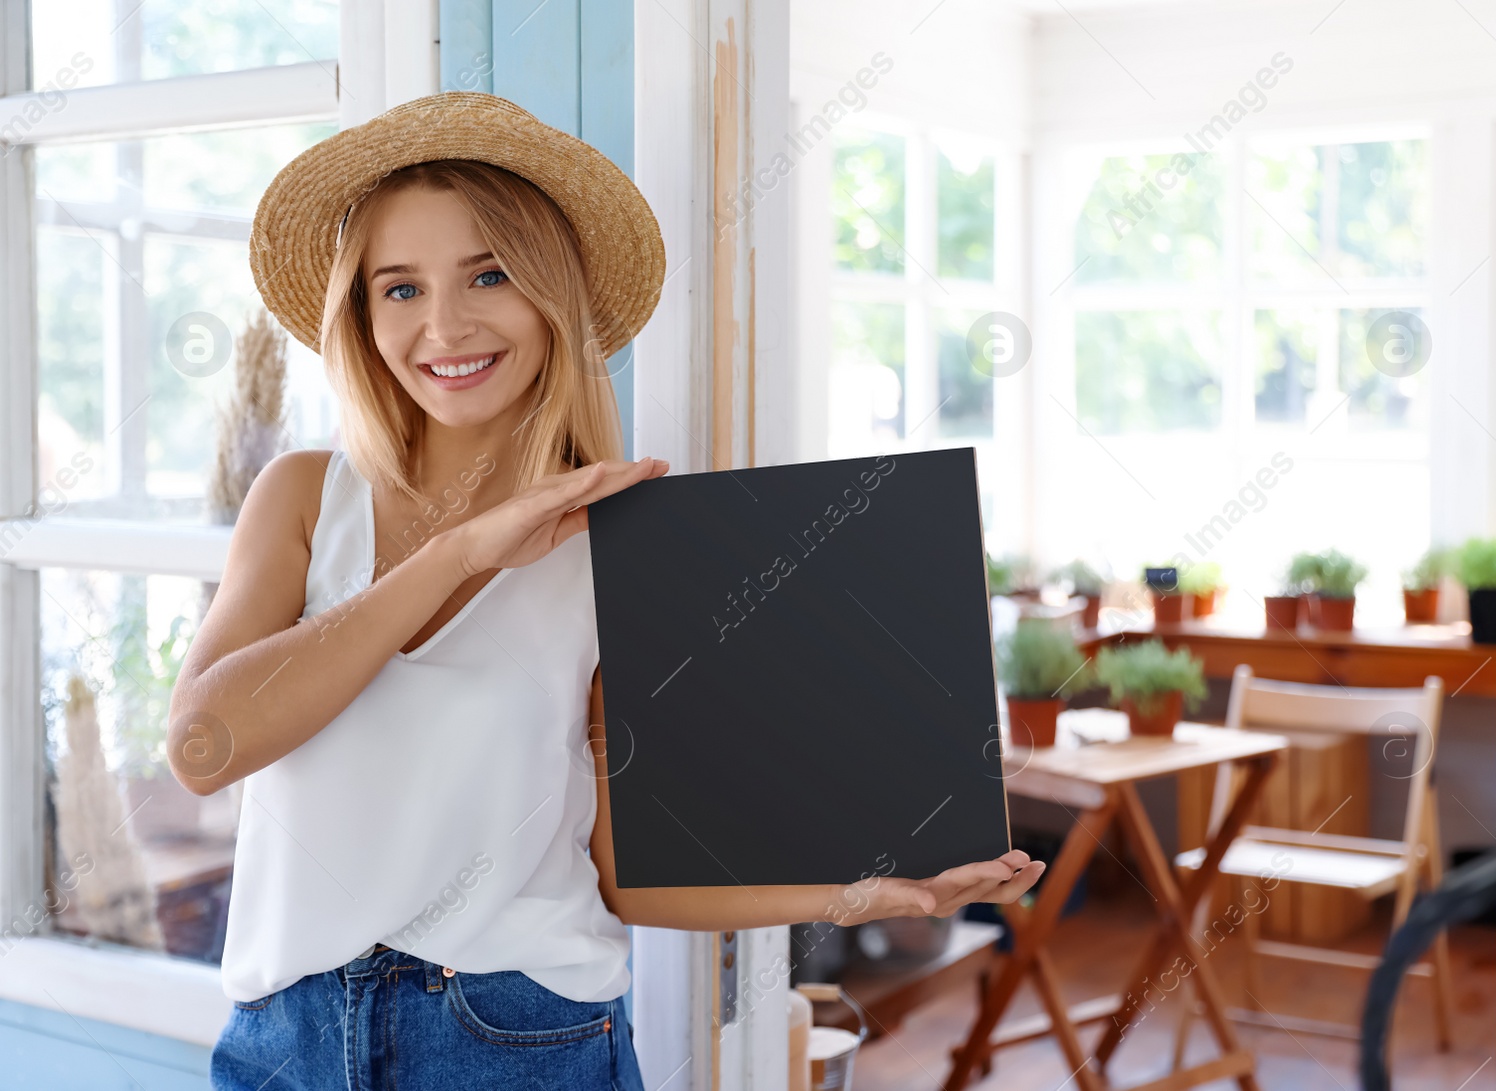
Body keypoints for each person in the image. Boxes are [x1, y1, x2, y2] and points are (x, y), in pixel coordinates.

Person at [172, 91, 1045, 1090]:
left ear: (553, 296)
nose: (443, 323)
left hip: (515, 1038)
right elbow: (205, 743)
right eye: (399, 287)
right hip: (284, 1043)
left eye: (488, 274)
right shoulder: (300, 498)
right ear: (361, 316)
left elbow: (627, 867)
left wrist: (868, 891)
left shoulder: (624, 544)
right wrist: (459, 553)